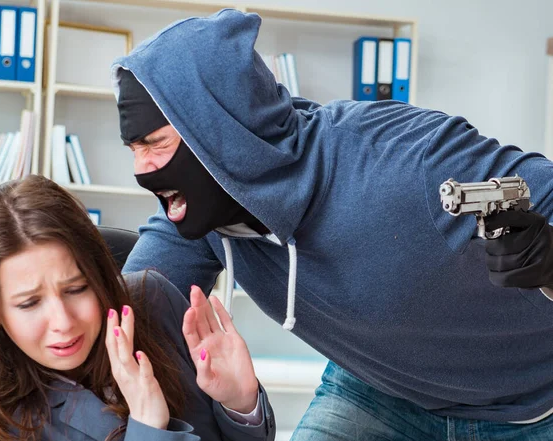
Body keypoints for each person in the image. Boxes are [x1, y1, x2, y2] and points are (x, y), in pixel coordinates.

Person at [111, 8, 553, 441]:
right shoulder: (201, 216)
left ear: (221, 130)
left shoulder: (406, 160)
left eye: (156, 144)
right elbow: (121, 313)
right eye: (133, 148)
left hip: (538, 400)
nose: (142, 169)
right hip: (382, 391)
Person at [0, 175, 276, 441]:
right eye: (29, 303)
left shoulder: (154, 301)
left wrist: (239, 403)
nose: (63, 322)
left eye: (77, 288)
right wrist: (148, 429)